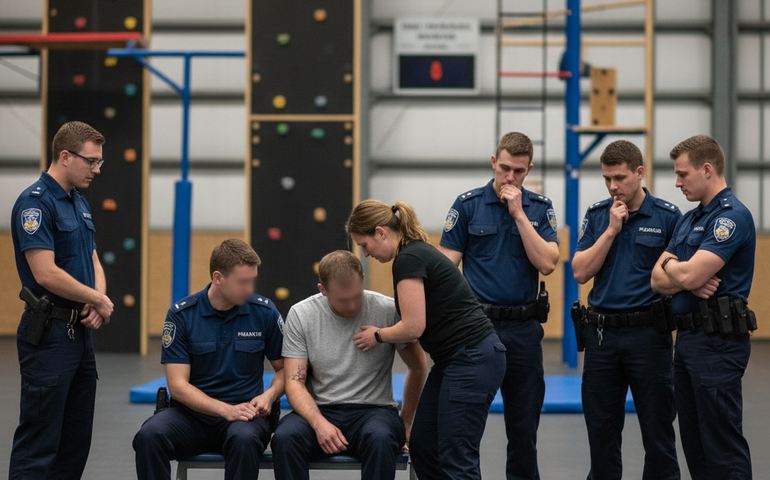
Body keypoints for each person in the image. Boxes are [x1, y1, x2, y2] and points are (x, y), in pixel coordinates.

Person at [347, 200, 506, 480]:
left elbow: (413, 327)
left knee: (457, 457)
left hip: (473, 359)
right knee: (423, 446)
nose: (365, 253)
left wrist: (378, 335)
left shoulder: (409, 258)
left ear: (381, 232)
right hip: (452, 361)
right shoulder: (413, 254)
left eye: (364, 244)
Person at [439, 131, 559, 480]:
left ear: (528, 169)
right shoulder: (468, 205)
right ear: (494, 162)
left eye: (518, 171)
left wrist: (519, 214)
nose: (510, 177)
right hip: (477, 329)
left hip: (523, 330)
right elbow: (445, 268)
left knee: (524, 432)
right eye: (504, 168)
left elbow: (548, 263)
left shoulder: (539, 208)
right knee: (465, 428)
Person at [9, 121, 114, 480]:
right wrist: (97, 299)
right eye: (91, 161)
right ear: (65, 156)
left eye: (99, 162)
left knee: (75, 442)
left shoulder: (78, 203)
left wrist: (97, 300)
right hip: (50, 336)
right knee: (40, 442)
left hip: (79, 335)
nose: (97, 169)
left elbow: (93, 258)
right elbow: (45, 273)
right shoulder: (34, 204)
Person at [572, 140, 681, 480]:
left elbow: (680, 273)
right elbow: (580, 271)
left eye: (619, 178)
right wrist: (610, 230)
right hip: (602, 336)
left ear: (639, 172)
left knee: (658, 431)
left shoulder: (667, 217)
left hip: (649, 335)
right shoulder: (597, 215)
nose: (613, 187)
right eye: (607, 179)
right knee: (601, 435)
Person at [133, 239, 284, 480]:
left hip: (245, 416)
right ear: (218, 277)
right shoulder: (182, 315)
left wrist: (269, 396)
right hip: (191, 417)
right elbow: (178, 386)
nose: (249, 288)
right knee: (149, 436)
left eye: (251, 280)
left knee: (244, 439)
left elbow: (285, 369)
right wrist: (225, 410)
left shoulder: (264, 312)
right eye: (242, 282)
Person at [652, 135, 756, 480]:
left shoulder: (731, 218)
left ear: (707, 169)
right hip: (688, 341)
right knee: (694, 444)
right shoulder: (687, 219)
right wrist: (681, 275)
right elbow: (657, 279)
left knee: (722, 446)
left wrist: (681, 272)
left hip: (718, 344)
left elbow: (693, 271)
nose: (677, 182)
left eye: (683, 174)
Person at [271, 250, 427, 480]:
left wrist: (406, 421)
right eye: (343, 300)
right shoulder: (301, 314)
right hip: (321, 408)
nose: (353, 305)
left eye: (357, 295)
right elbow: (294, 383)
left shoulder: (387, 309)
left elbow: (418, 366)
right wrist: (318, 423)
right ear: (322, 290)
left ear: (362, 279)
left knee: (382, 438)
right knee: (284, 438)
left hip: (374, 411)